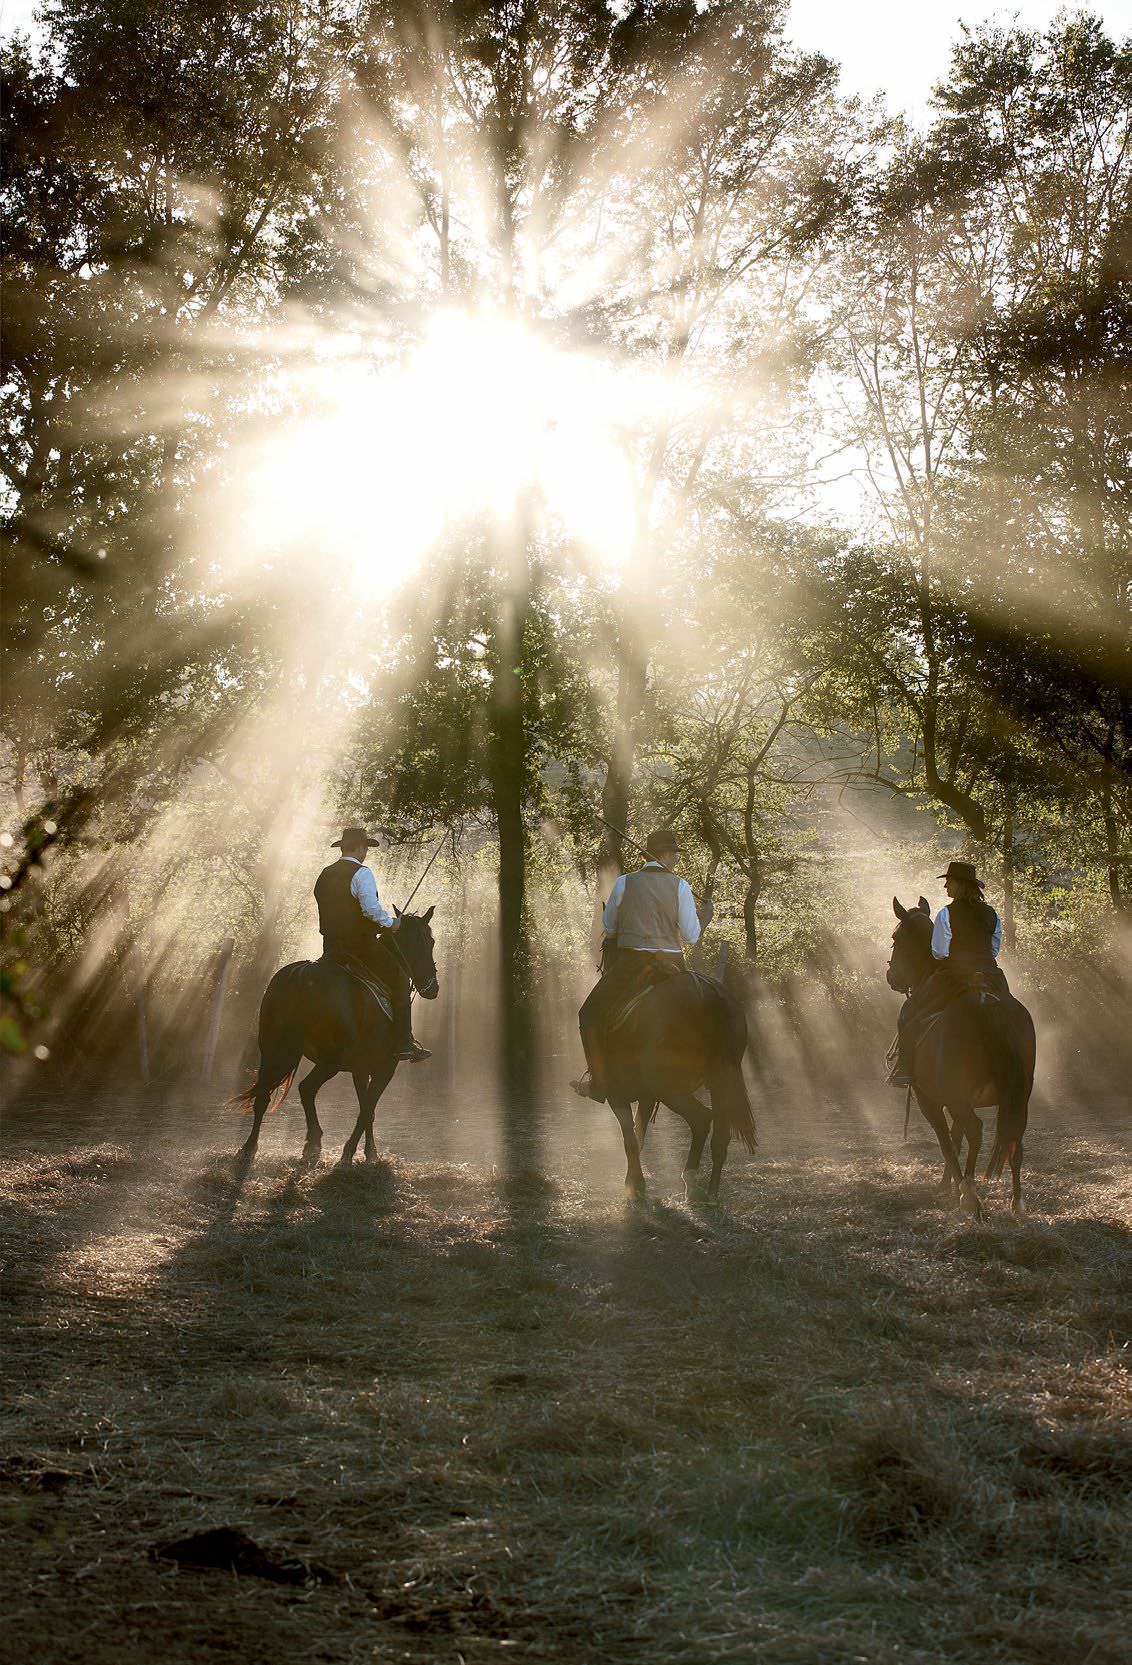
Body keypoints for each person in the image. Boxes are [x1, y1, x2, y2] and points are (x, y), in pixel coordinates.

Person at [573, 829, 709, 1103]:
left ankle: (599, 1083)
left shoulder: (624, 883)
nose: (677, 861)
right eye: (675, 855)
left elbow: (609, 927)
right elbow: (692, 936)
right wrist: (705, 916)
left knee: (587, 1015)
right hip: (672, 963)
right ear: (667, 855)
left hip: (632, 964)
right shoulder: (680, 885)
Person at [314, 827, 430, 1063]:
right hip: (360, 948)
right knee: (400, 979)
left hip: (330, 948)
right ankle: (404, 1043)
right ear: (358, 848)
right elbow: (369, 909)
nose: (365, 852)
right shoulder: (362, 873)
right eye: (365, 847)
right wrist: (392, 924)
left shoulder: (325, 874)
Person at [890, 859, 1007, 1087]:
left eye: (949, 882)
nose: (945, 887)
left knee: (910, 1010)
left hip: (955, 977)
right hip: (991, 975)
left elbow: (940, 953)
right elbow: (994, 949)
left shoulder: (946, 914)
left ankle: (905, 1068)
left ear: (960, 884)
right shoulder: (991, 914)